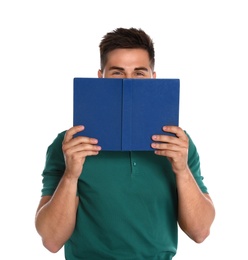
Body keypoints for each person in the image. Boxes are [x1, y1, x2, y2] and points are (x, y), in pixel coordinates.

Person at [35, 27, 215, 260]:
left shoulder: (178, 142)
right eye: (118, 74)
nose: (129, 83)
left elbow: (200, 232)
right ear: (101, 78)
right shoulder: (69, 144)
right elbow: (51, 240)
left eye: (139, 74)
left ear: (153, 78)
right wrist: (70, 175)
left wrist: (181, 169)